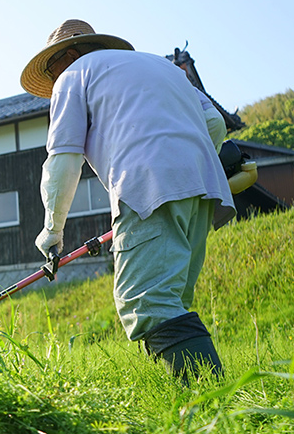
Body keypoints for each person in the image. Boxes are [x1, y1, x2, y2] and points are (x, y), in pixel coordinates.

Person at [20, 19, 235, 382]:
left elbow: (63, 159)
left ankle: (210, 406)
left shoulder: (74, 75)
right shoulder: (165, 67)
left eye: (52, 70)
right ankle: (204, 408)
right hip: (203, 189)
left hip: (146, 184)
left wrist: (52, 232)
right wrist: (190, 170)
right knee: (172, 301)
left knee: (147, 300)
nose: (54, 81)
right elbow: (215, 124)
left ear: (69, 55)